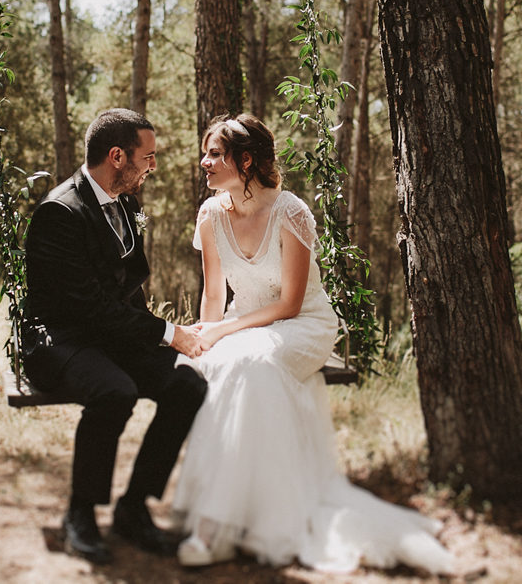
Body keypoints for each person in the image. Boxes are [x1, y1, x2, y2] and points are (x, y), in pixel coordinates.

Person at [171, 114, 454, 575]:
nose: (204, 162)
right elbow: (213, 294)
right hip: (244, 326)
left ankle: (211, 528)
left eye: (214, 154)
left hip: (302, 325)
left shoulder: (290, 212)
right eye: (206, 153)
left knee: (253, 362)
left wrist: (225, 330)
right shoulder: (209, 214)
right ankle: (241, 511)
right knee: (224, 365)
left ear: (245, 161)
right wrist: (207, 337)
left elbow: (290, 303)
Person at [22, 108, 207, 565]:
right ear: (118, 156)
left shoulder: (126, 202)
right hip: (60, 338)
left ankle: (133, 507)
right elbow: (87, 307)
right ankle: (80, 514)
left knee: (188, 385)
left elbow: (127, 291)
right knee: (114, 390)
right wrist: (168, 334)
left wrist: (159, 341)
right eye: (149, 157)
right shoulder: (59, 212)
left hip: (109, 335)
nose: (153, 167)